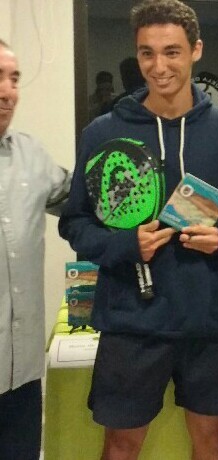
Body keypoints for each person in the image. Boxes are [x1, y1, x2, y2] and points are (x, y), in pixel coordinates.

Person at [58, 1, 218, 459]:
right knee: (120, 445)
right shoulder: (102, 133)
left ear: (196, 50)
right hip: (130, 320)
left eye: (172, 52)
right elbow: (75, 223)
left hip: (208, 317)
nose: (158, 66)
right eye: (146, 53)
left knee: (212, 442)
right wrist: (124, 244)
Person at [0, 39, 71, 460]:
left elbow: (83, 201)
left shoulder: (31, 155)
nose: (7, 91)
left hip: (22, 374)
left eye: (14, 79)